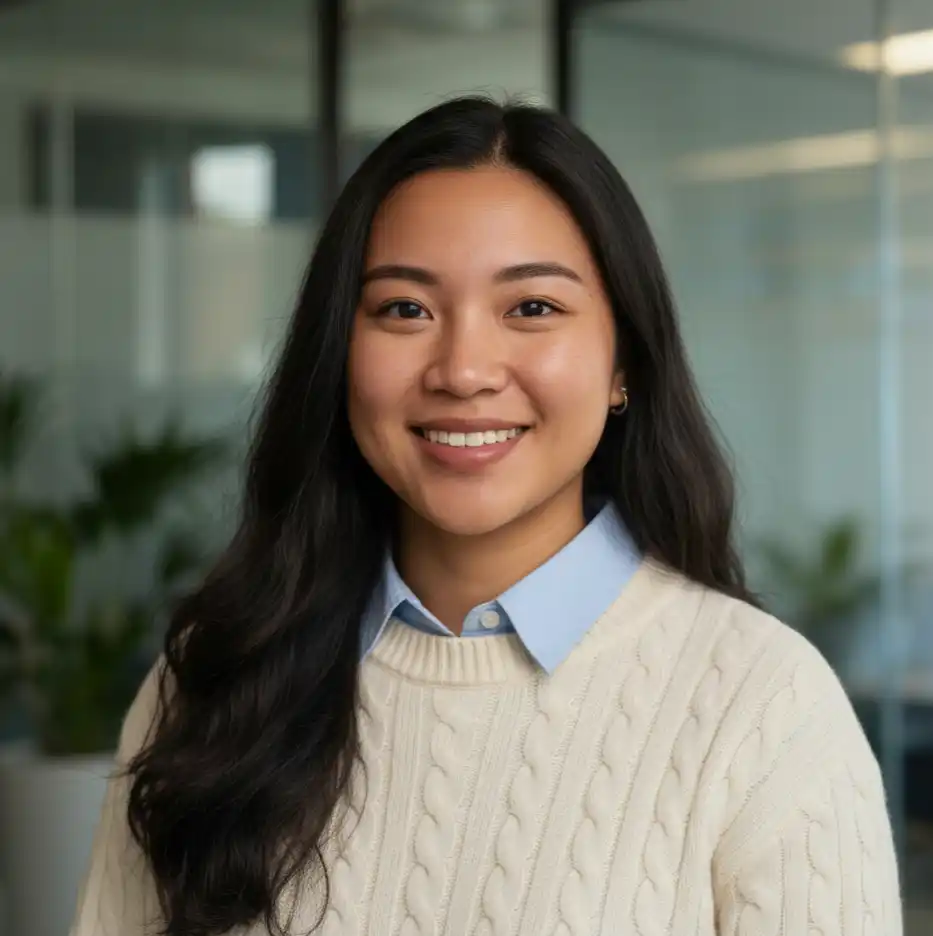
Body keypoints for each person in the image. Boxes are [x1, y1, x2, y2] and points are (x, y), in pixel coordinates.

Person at [70, 97, 901, 936]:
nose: (463, 370)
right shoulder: (218, 679)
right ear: (338, 354)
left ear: (625, 364)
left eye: (531, 308)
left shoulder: (760, 707)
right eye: (404, 309)